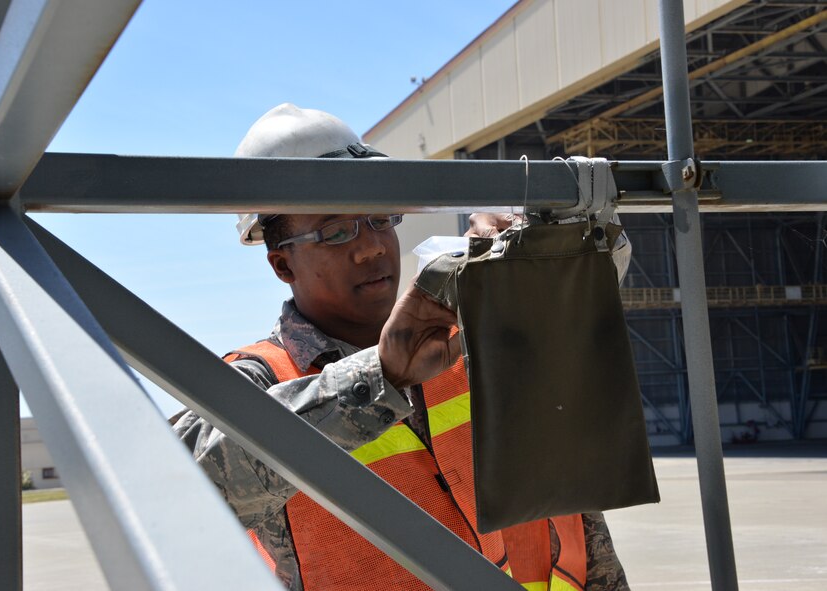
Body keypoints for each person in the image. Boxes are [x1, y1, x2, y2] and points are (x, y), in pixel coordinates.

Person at [173, 103, 630, 590]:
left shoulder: (469, 335)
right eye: (335, 231)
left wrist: (539, 245)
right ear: (283, 266)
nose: (370, 246)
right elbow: (182, 490)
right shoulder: (260, 379)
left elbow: (588, 297)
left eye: (379, 218)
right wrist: (380, 376)